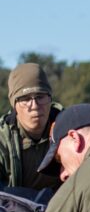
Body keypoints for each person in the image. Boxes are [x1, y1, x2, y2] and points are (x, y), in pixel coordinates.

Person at [1, 63, 63, 191]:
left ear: (50, 99)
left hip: (62, 208)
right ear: (14, 105)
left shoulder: (69, 131)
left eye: (40, 97)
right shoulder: (2, 140)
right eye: (25, 99)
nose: (34, 105)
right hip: (12, 209)